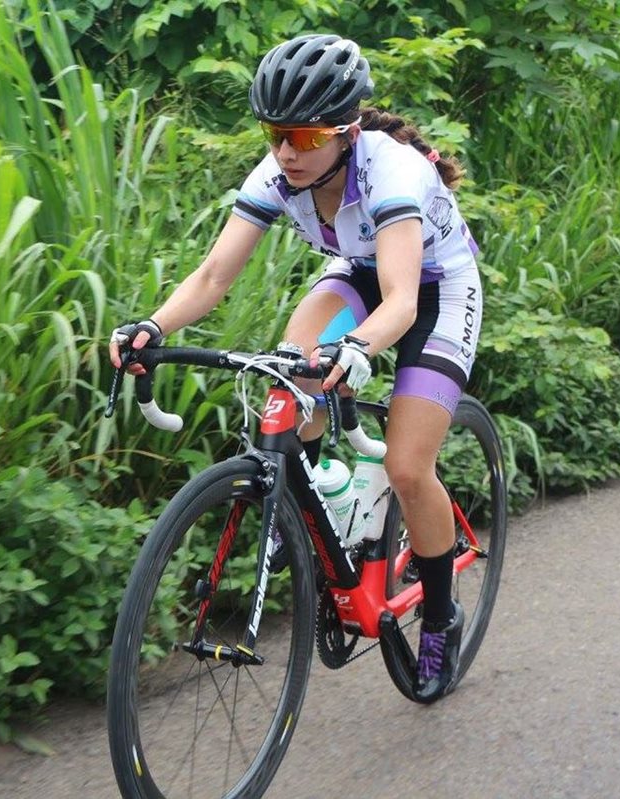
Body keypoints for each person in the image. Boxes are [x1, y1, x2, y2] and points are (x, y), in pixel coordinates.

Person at [109, 33, 483, 702]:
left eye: (305, 138)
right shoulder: (278, 173)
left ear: (346, 132)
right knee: (292, 368)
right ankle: (313, 497)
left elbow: (401, 301)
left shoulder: (391, 172)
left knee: (407, 465)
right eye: (276, 134)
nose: (287, 151)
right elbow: (214, 274)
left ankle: (439, 613)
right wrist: (153, 326)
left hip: (436, 289)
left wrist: (359, 346)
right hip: (360, 272)